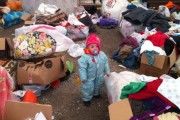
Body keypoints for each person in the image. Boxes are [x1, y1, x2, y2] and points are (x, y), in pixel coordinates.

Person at [78, 33, 110, 106]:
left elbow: (105, 63)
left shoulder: (102, 55)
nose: (95, 48)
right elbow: (82, 67)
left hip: (99, 75)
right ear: (87, 48)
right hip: (89, 77)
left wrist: (107, 71)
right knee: (88, 88)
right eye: (92, 46)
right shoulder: (85, 57)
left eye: (96, 46)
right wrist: (83, 77)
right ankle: (86, 99)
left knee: (98, 85)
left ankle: (96, 94)